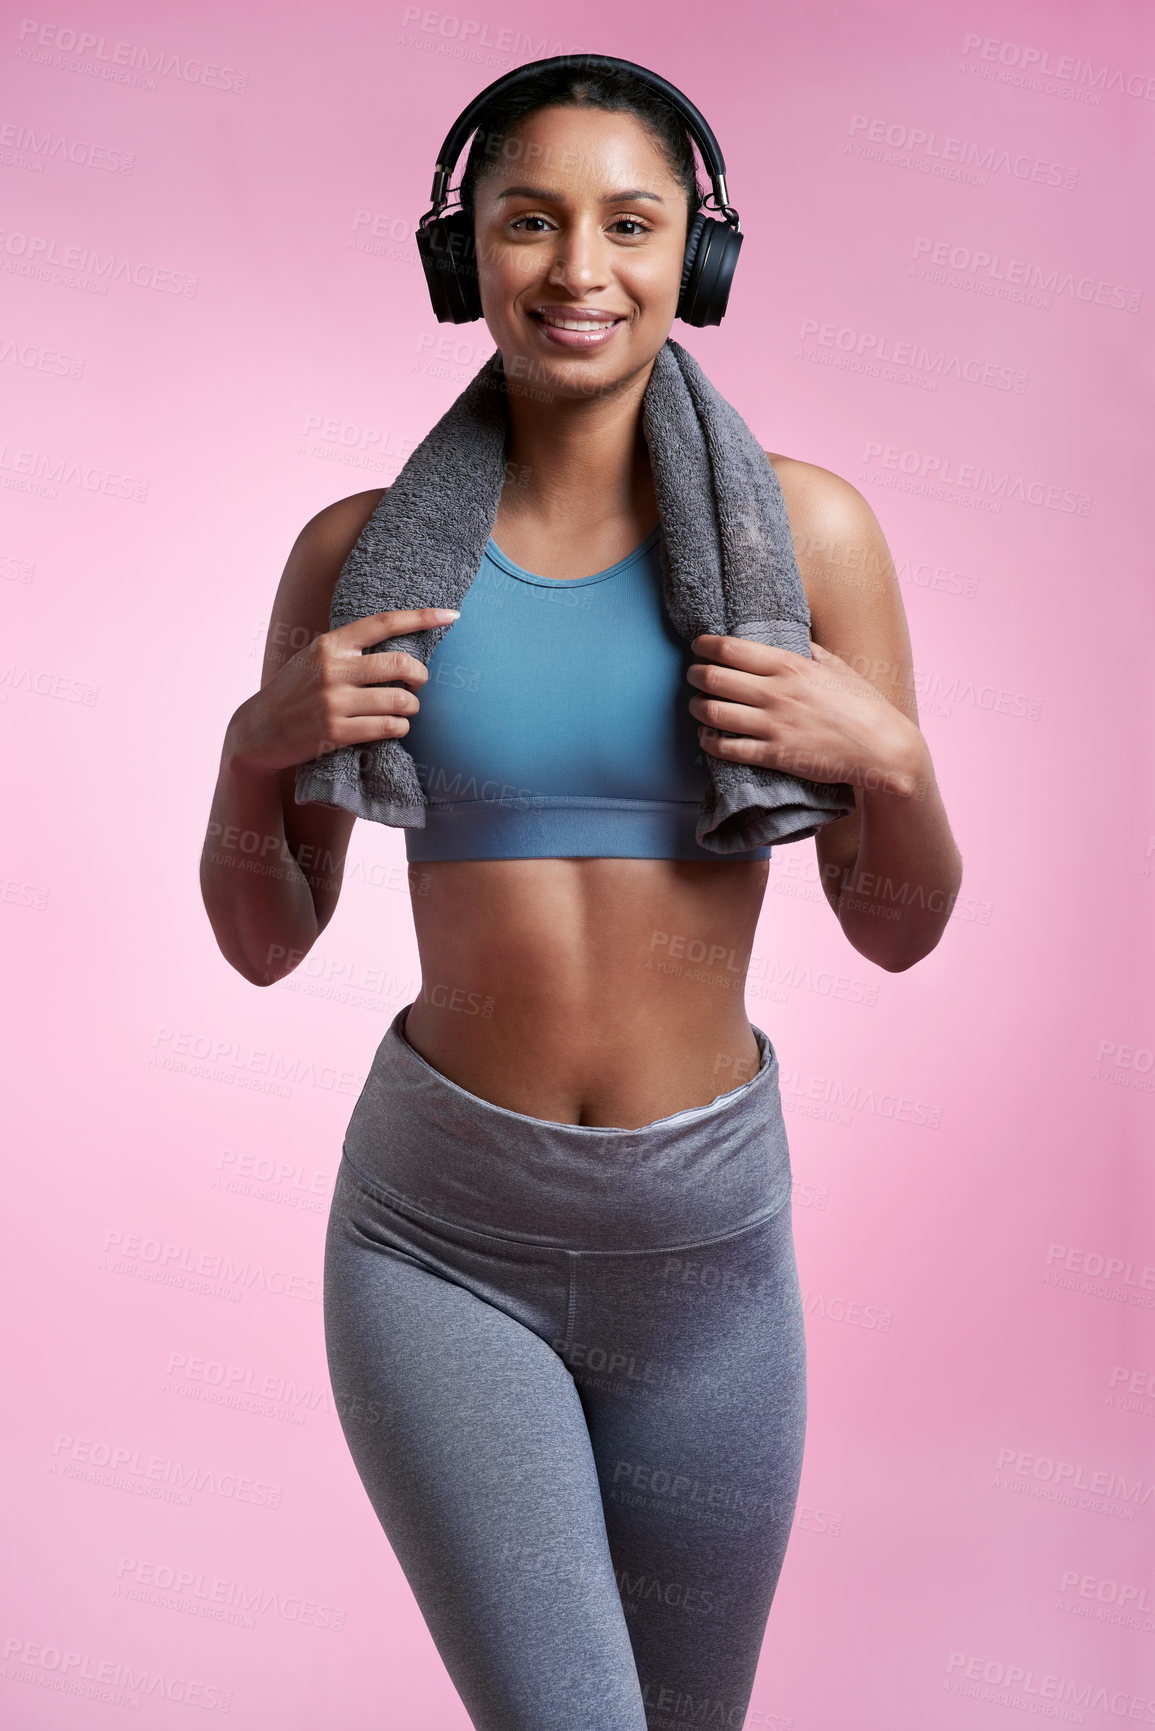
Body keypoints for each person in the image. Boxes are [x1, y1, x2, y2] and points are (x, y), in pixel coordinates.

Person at [201, 58, 962, 1731]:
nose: (577, 270)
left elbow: (897, 928)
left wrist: (889, 760)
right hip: (437, 1241)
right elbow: (265, 942)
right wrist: (256, 752)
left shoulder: (815, 537)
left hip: (708, 1255)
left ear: (699, 255)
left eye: (632, 224)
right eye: (527, 222)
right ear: (460, 252)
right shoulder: (357, 555)